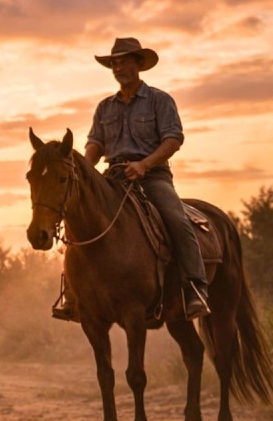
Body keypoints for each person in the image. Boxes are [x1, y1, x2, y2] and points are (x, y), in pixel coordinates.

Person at [52, 37, 210, 322]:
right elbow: (96, 143)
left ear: (139, 64)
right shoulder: (105, 107)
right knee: (77, 220)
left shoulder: (159, 100)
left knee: (176, 219)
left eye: (124, 61)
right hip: (113, 177)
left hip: (152, 176)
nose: (118, 67)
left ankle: (195, 287)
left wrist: (145, 164)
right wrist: (84, 173)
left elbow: (173, 139)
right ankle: (73, 294)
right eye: (114, 62)